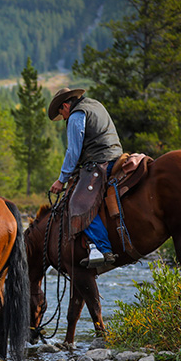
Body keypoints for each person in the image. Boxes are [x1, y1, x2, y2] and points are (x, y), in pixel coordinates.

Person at [47, 87, 122, 268]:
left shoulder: (76, 115)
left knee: (77, 204)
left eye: (61, 113)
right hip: (116, 155)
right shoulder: (95, 105)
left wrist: (62, 179)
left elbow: (73, 151)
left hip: (100, 162)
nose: (63, 118)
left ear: (66, 105)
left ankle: (104, 249)